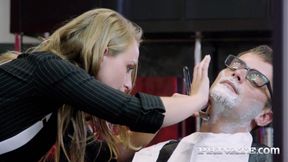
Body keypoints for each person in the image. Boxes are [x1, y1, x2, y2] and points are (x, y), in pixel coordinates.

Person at [0, 8, 211, 162]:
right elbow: (137, 112)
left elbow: (102, 156)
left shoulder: (60, 106)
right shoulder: (47, 68)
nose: (129, 84)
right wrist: (198, 99)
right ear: (104, 53)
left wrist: (162, 117)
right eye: (129, 67)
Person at [132, 45, 273, 162]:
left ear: (264, 116)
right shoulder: (154, 156)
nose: (238, 73)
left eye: (256, 77)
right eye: (237, 65)